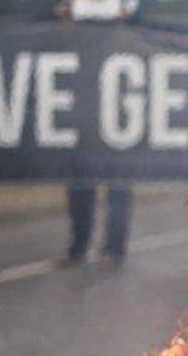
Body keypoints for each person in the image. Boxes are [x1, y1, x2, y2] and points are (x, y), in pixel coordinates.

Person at [56, 0, 140, 272]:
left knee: (118, 180)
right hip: (86, 97)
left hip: (119, 102)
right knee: (80, 177)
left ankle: (113, 249)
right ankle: (79, 246)